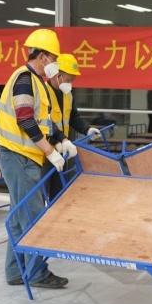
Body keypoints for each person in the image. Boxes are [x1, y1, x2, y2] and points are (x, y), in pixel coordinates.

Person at [0, 28, 74, 289]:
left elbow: (45, 122)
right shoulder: (24, 80)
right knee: (33, 217)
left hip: (23, 157)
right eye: (54, 58)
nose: (55, 64)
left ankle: (15, 271)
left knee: (20, 216)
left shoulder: (38, 83)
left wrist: (62, 139)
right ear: (42, 57)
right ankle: (38, 274)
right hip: (19, 157)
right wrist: (50, 152)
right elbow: (25, 120)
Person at [42, 53, 101, 199]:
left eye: (73, 80)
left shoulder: (67, 94)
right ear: (58, 75)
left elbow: (73, 117)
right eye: (69, 79)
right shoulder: (43, 92)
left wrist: (86, 129)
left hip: (62, 151)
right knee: (39, 196)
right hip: (45, 153)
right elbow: (44, 122)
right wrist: (58, 140)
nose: (71, 84)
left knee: (58, 195)